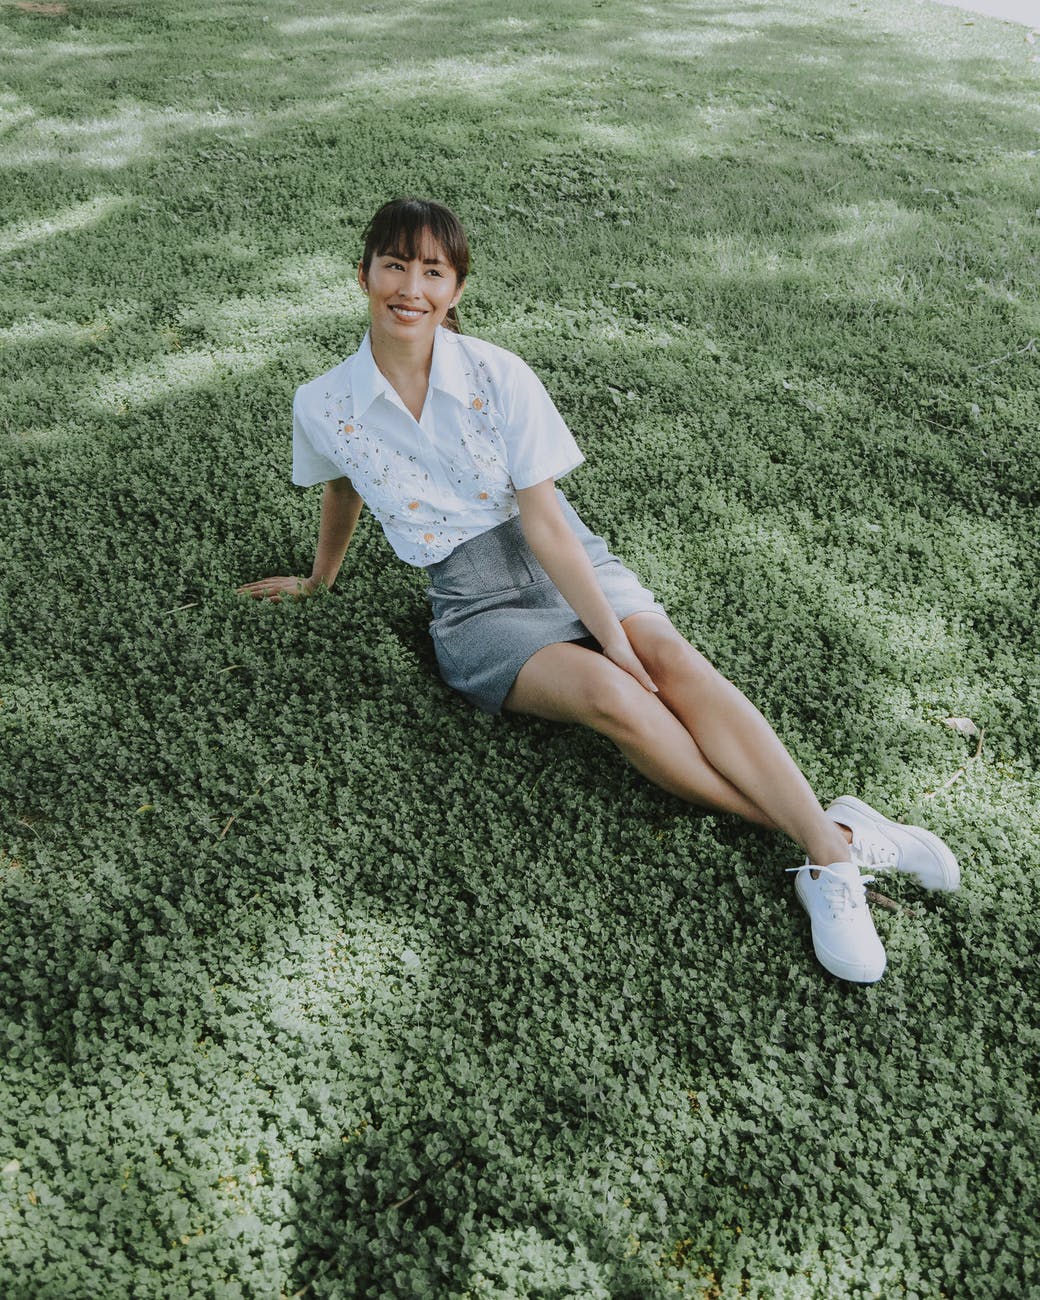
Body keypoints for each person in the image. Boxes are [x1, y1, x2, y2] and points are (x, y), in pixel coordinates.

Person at [238, 197, 960, 984]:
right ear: (363, 275)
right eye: (395, 265)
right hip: (476, 607)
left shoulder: (496, 373)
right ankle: (838, 838)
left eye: (433, 271)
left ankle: (827, 859)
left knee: (669, 660)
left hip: (562, 557)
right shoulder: (325, 403)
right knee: (618, 702)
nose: (412, 286)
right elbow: (340, 491)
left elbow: (548, 528)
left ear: (456, 291)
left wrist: (617, 637)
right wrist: (318, 579)